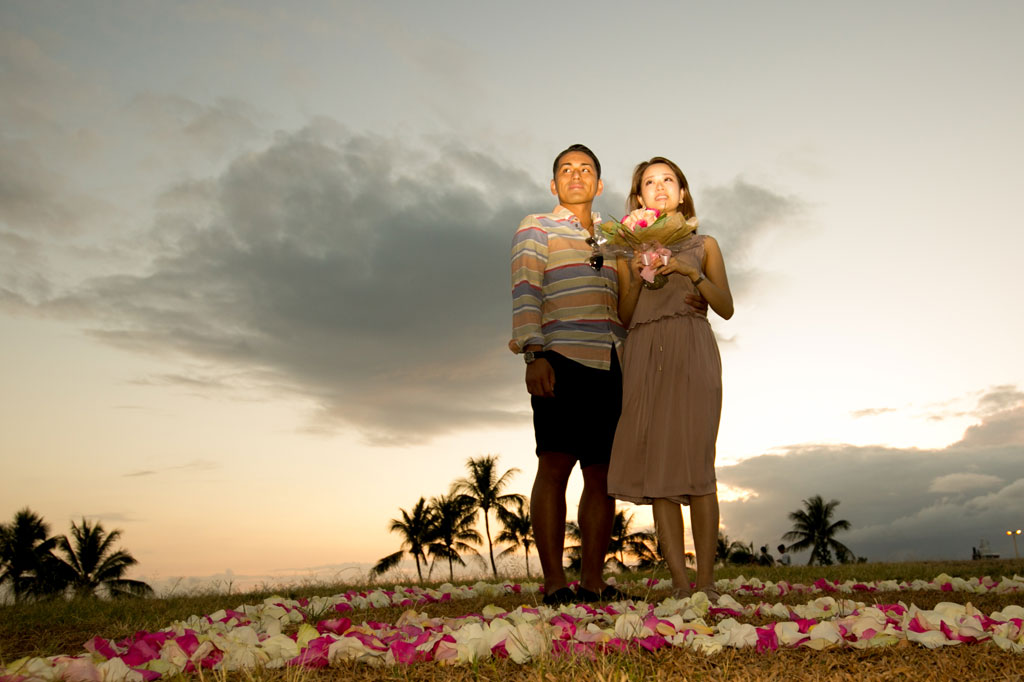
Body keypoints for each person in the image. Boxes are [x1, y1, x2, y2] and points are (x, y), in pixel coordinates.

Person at [608, 156, 733, 600]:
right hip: (643, 353)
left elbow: (726, 306)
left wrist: (689, 272)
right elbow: (622, 315)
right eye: (649, 183)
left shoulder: (706, 245)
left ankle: (707, 582)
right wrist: (640, 273)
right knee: (658, 465)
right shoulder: (623, 251)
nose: (659, 188)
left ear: (682, 192)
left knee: (698, 463)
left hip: (692, 350)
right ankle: (680, 583)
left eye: (669, 180)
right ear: (638, 197)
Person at [509, 144, 628, 605]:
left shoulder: (616, 235)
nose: (575, 175)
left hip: (612, 361)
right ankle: (556, 582)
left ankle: (593, 582)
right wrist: (532, 353)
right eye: (565, 169)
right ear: (553, 183)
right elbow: (525, 289)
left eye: (585, 169)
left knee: (602, 474)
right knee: (555, 464)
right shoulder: (535, 226)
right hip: (559, 356)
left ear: (599, 185)